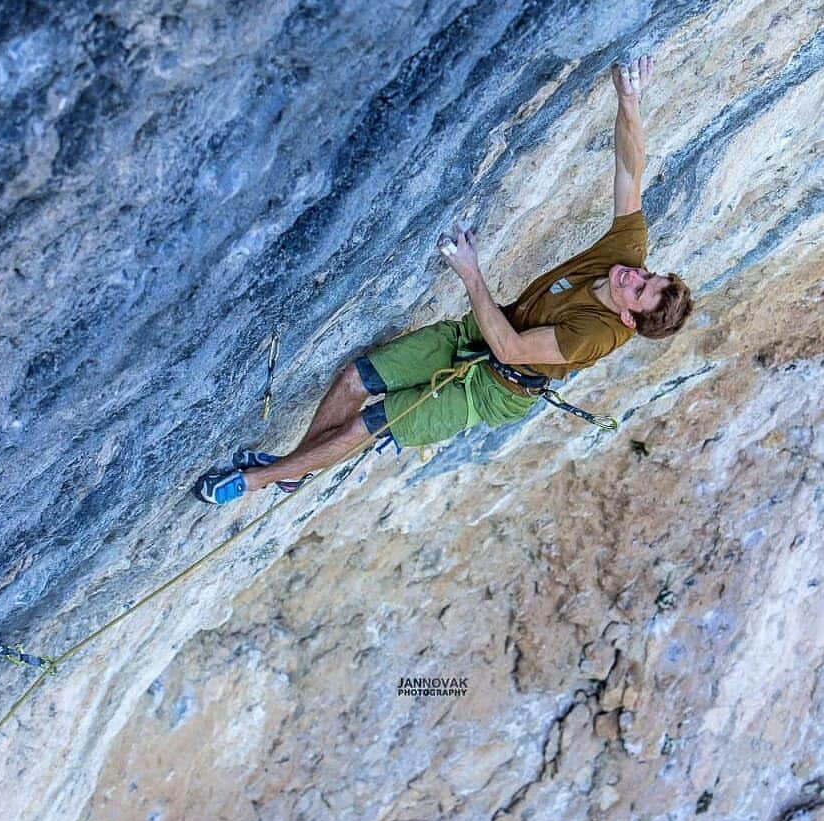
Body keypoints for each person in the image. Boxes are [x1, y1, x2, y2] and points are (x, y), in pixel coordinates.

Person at [198, 54, 692, 505]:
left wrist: (471, 274)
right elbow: (630, 168)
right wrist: (629, 101)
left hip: (495, 390)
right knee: (357, 378)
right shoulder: (624, 258)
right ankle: (292, 471)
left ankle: (253, 481)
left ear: (629, 317)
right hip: (481, 335)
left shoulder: (596, 333)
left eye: (639, 289)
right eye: (648, 274)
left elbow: (513, 350)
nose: (634, 274)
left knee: (372, 422)